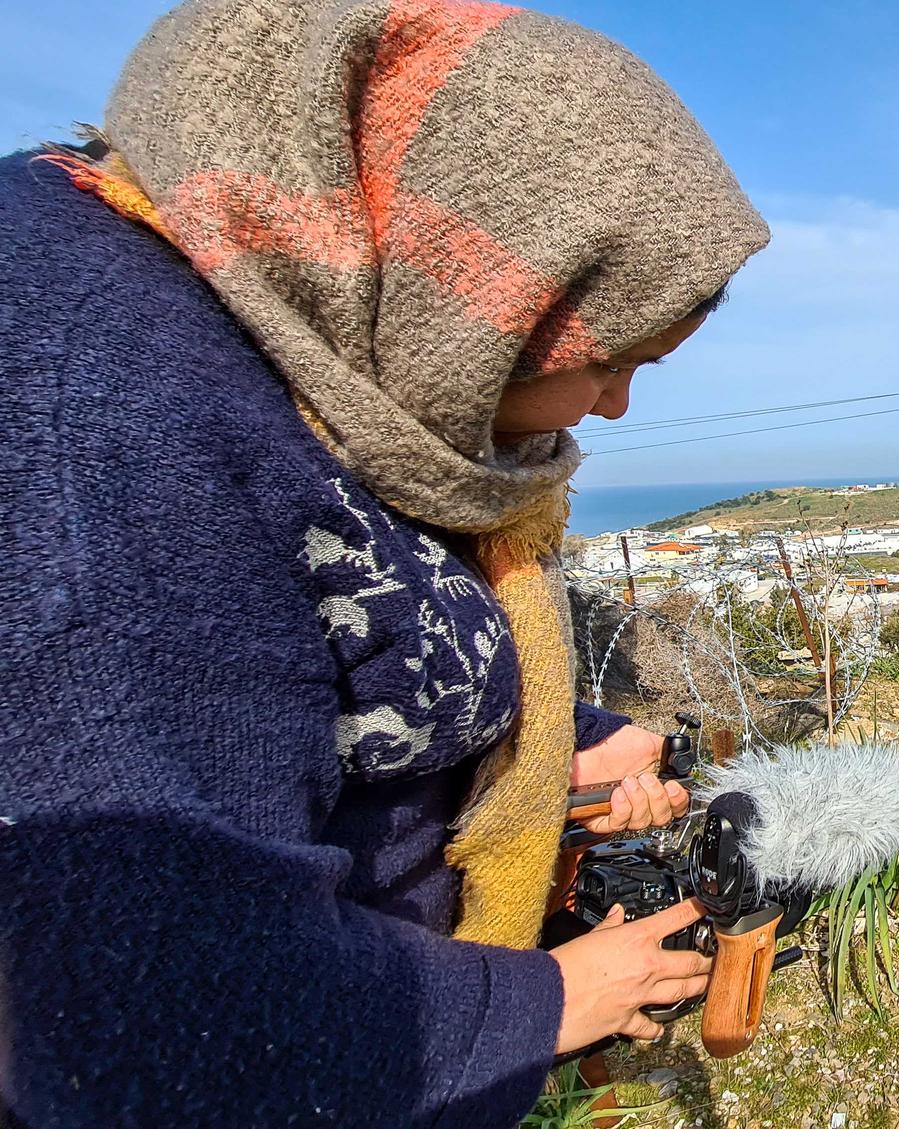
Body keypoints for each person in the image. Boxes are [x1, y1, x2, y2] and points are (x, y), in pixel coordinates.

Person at [0, 1, 768, 1124]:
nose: (615, 404)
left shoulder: (340, 359)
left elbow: (359, 650)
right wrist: (551, 1000)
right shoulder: (98, 416)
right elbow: (170, 1020)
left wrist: (577, 745)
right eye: (614, 359)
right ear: (502, 304)